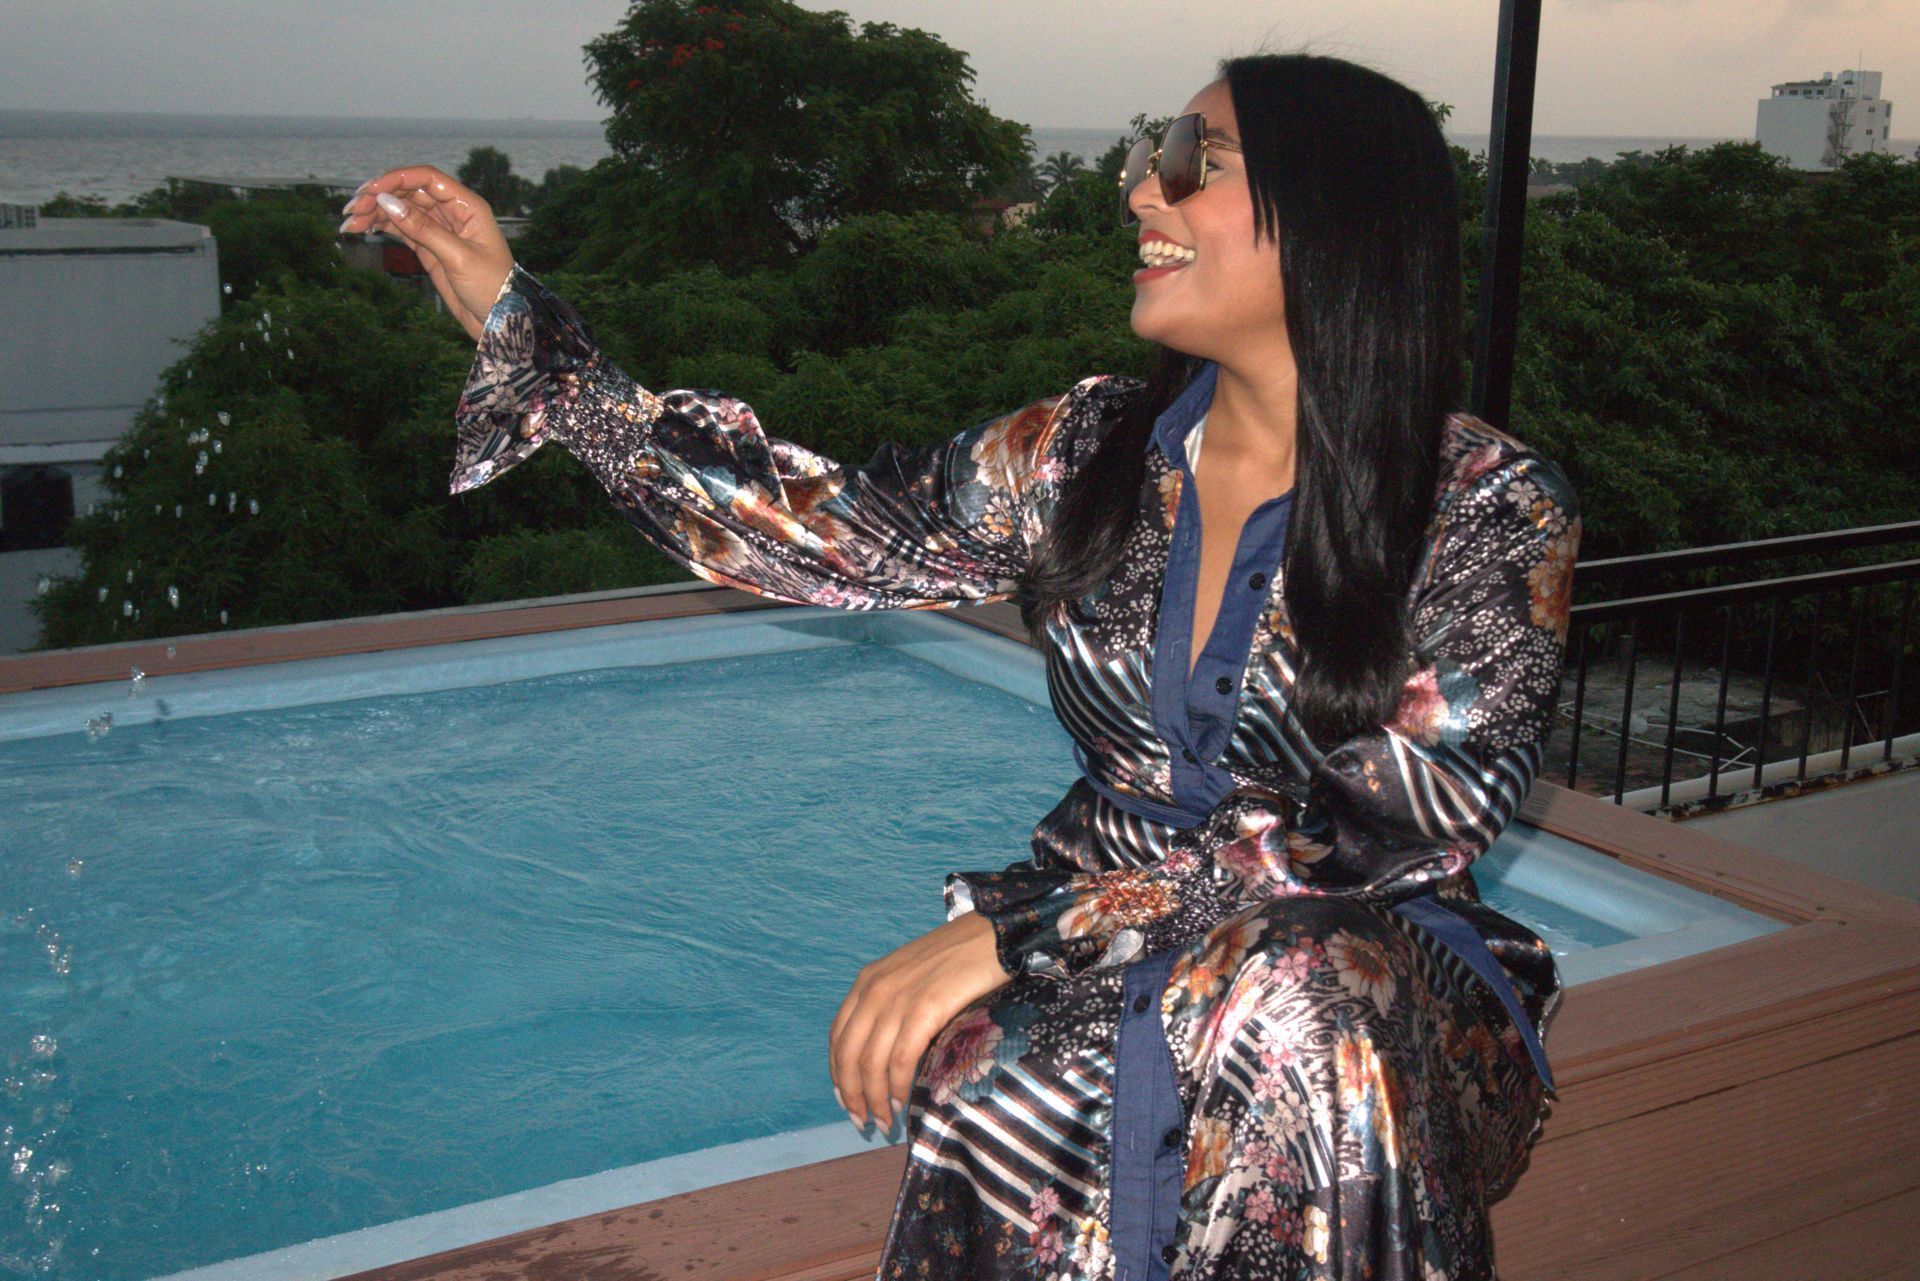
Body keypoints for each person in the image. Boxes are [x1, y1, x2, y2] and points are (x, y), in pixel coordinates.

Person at [347, 48, 1580, 1281]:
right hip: (1099, 958)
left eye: (1189, 163)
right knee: (1006, 1079)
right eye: (1150, 156)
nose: (1137, 190)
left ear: (1331, 213)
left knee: (1297, 979)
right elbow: (810, 525)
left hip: (1371, 999)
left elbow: (1379, 838)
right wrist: (538, 342)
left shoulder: (1488, 509)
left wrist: (1018, 934)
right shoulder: (1085, 453)